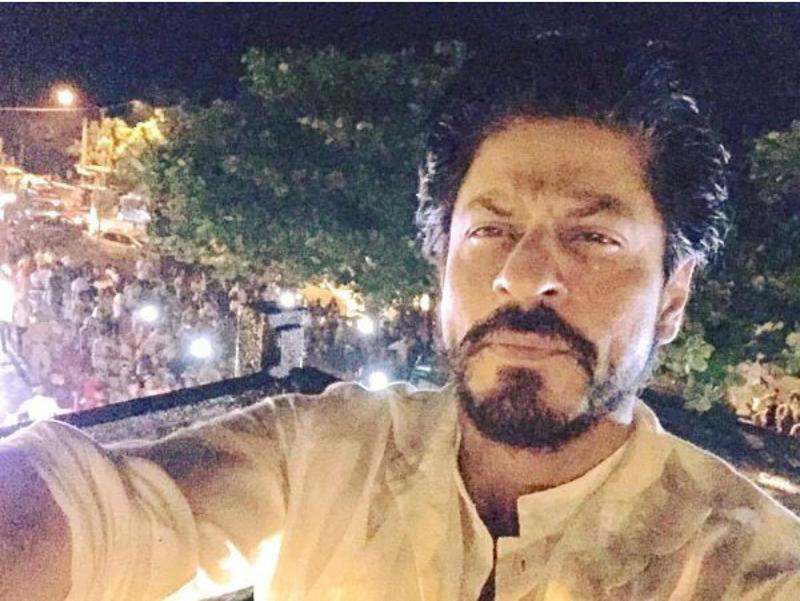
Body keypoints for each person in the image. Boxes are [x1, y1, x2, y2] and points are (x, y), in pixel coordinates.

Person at [2, 33, 800, 601]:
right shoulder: (321, 455)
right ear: (440, 265)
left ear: (672, 295)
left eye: (593, 237)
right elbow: (95, 512)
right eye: (489, 230)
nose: (525, 276)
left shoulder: (748, 567)